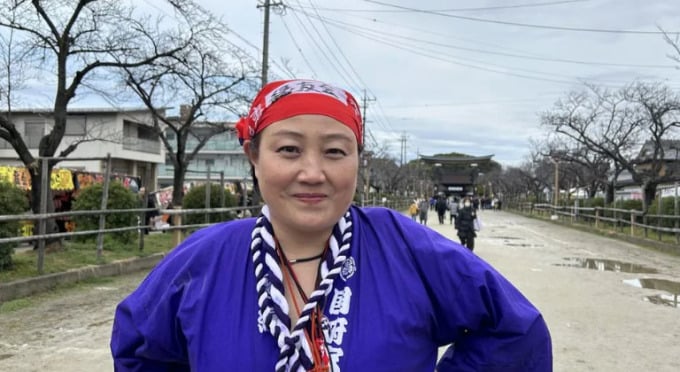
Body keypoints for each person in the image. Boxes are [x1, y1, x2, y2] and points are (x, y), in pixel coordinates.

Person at [110, 79, 552, 372]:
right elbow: (139, 347)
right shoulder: (204, 258)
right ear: (254, 158)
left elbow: (517, 330)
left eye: (336, 152)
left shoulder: (404, 248)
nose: (312, 172)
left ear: (358, 161)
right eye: (288, 150)